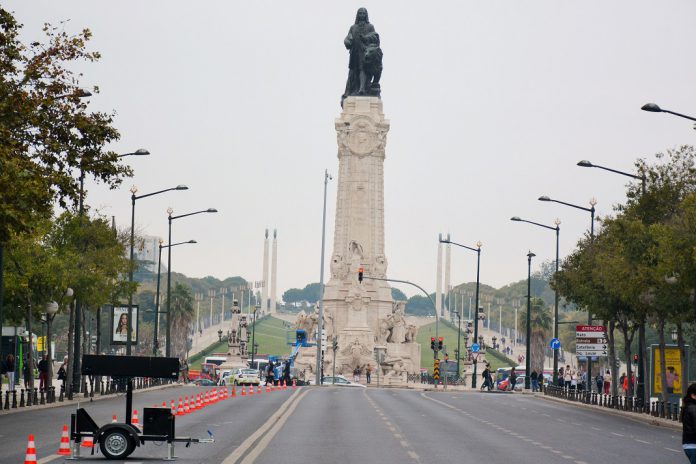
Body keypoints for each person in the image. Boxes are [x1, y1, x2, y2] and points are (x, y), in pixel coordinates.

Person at [682, 383, 696, 463]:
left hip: (689, 444)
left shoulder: (688, 406)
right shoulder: (693, 408)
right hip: (693, 445)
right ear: (693, 395)